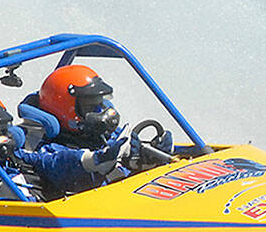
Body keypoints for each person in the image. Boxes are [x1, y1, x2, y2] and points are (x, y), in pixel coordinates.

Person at [0, 91, 122, 200]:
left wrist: (92, 160)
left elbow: (52, 163)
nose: (1, 139)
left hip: (58, 222)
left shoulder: (17, 157)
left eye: (3, 130)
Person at [36, 65, 170, 192]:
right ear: (64, 108)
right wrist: (100, 159)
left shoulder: (105, 136)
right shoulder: (48, 150)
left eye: (100, 102)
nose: (101, 110)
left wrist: (146, 159)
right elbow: (68, 165)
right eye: (90, 105)